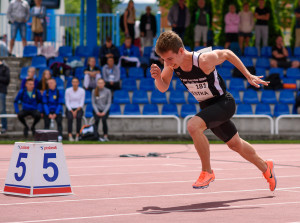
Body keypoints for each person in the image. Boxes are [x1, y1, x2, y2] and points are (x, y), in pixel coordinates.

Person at [150, 31, 276, 191]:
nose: (166, 63)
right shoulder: (172, 64)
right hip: (208, 107)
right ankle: (266, 167)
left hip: (224, 103)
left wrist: (248, 75)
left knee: (193, 126)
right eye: (163, 59)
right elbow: (163, 87)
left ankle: (207, 171)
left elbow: (228, 54)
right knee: (236, 145)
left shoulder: (203, 60)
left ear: (181, 51)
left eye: (169, 59)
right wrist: (157, 78)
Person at [65, 77, 85, 141]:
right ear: (72, 83)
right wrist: (71, 110)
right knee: (70, 118)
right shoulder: (68, 90)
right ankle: (70, 135)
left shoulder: (82, 91)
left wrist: (76, 111)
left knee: (79, 117)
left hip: (78, 108)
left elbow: (81, 103)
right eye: (73, 82)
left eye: (76, 82)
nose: (75, 83)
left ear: (78, 83)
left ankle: (77, 135)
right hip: (70, 108)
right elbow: (67, 102)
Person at [0, 61, 10, 134]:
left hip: (1, 91)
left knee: (2, 109)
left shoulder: (5, 68)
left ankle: (4, 127)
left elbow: (7, 80)